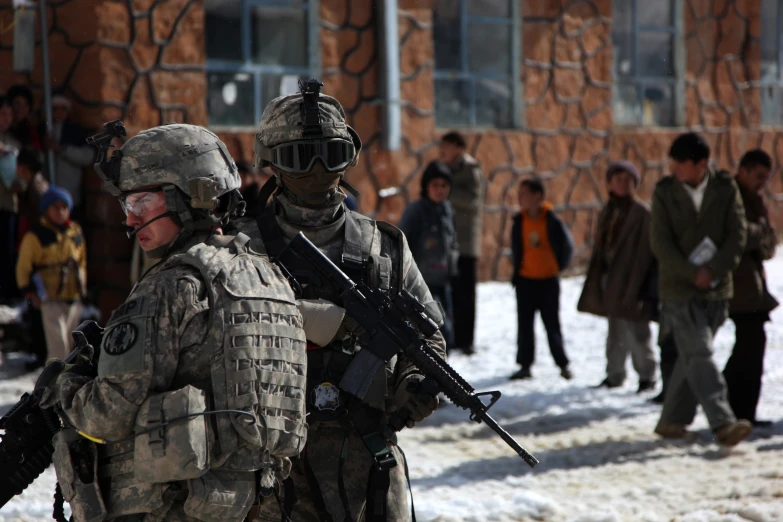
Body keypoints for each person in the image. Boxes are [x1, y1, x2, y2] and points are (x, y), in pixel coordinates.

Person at [38, 122, 308, 521]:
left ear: (188, 196)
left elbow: (107, 414)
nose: (130, 221)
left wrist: (66, 386)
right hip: (257, 506)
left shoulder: (170, 287)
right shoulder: (272, 279)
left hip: (176, 507)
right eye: (126, 206)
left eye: (140, 203)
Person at [228, 79, 446, 521]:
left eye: (331, 154)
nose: (316, 169)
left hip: (368, 465)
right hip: (270, 473)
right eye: (297, 157)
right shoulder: (239, 249)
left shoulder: (383, 245)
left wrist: (414, 383)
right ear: (270, 161)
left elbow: (427, 336)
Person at [651, 132, 752, 446]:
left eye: (680, 163)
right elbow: (661, 243)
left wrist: (714, 270)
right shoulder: (664, 192)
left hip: (716, 289)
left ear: (700, 164)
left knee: (692, 355)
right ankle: (723, 422)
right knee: (699, 351)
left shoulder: (724, 188)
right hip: (678, 288)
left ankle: (671, 421)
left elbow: (737, 234)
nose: (675, 169)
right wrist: (692, 272)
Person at [578, 161, 657, 393]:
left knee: (638, 333)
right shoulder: (608, 211)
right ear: (610, 184)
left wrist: (639, 284)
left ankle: (647, 376)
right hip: (611, 282)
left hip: (634, 282)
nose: (623, 184)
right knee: (615, 333)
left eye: (627, 180)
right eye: (618, 180)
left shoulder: (642, 213)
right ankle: (614, 374)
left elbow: (646, 252)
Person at [722, 149, 778, 427]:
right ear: (743, 170)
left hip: (752, 286)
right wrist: (759, 233)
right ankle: (729, 408)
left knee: (752, 346)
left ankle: (742, 412)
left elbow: (767, 243)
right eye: (757, 176)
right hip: (735, 285)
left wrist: (759, 234)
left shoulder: (754, 200)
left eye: (765, 178)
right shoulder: (728, 197)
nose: (761, 183)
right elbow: (738, 234)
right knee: (749, 344)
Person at [510, 177, 574, 381]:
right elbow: (517, 249)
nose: (521, 198)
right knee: (525, 325)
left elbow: (566, 247)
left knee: (552, 324)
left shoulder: (552, 220)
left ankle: (562, 363)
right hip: (525, 281)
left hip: (548, 282)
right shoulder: (519, 220)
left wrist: (557, 267)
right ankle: (525, 365)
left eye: (525, 194)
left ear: (538, 196)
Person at [16, 186, 86, 362]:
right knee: (58, 349)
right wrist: (29, 291)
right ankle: (52, 387)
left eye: (64, 207)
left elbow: (82, 259)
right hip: (50, 298)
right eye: (56, 207)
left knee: (72, 348)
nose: (61, 212)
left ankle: (69, 386)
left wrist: (83, 285)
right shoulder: (36, 236)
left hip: (73, 297)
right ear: (46, 209)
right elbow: (23, 267)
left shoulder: (75, 231)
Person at [398, 160, 459, 351]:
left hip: (444, 281)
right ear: (426, 186)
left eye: (444, 185)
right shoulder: (416, 211)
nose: (440, 190)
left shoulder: (447, 210)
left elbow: (452, 242)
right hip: (422, 283)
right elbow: (401, 244)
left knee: (447, 332)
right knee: (436, 330)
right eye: (435, 185)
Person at [440, 131, 483, 354]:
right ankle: (454, 337)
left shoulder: (470, 168)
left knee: (467, 294)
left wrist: (448, 191)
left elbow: (473, 200)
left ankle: (467, 340)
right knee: (452, 293)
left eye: (446, 146)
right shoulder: (444, 168)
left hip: (466, 243)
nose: (442, 151)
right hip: (449, 242)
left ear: (459, 147)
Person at [41, 93, 95, 221]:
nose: (59, 113)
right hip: (47, 192)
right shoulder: (43, 130)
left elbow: (88, 156)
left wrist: (62, 149)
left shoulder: (76, 132)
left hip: (70, 193)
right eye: (55, 109)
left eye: (63, 109)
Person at [0, 95, 22, 302]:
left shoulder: (13, 142)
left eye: (10, 115)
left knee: (6, 253)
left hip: (8, 204)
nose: (7, 119)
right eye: (3, 114)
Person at [6, 84, 41, 150]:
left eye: (25, 104)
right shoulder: (3, 128)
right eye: (17, 103)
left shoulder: (32, 132)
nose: (21, 108)